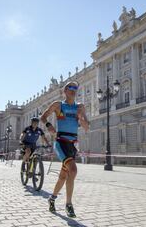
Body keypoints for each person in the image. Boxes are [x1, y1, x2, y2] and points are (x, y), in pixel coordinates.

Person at [41, 81, 89, 218]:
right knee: (73, 170)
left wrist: (81, 118)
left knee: (63, 177)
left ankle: (52, 198)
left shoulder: (80, 107)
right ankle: (69, 204)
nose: (73, 89)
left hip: (72, 144)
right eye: (70, 87)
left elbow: (86, 127)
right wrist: (49, 125)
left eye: (75, 88)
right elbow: (43, 117)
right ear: (65, 90)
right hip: (61, 142)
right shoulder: (58, 105)